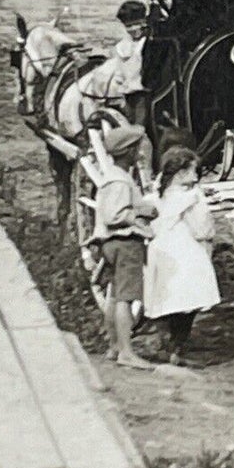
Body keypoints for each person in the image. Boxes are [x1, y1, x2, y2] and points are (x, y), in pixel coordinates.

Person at [143, 146, 219, 365]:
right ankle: (177, 346)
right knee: (190, 299)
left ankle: (164, 341)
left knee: (165, 298)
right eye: (193, 170)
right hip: (185, 251)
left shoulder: (159, 193)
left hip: (161, 250)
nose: (197, 175)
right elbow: (201, 228)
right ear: (182, 172)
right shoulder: (192, 197)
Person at [91, 124, 157, 370]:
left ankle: (114, 346)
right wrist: (143, 212)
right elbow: (115, 215)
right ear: (128, 151)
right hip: (125, 242)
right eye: (137, 148)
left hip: (111, 244)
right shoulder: (120, 180)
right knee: (126, 299)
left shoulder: (112, 176)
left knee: (115, 296)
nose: (140, 153)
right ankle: (127, 352)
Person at [108, 0, 150, 126]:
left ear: (144, 23)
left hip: (143, 94)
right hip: (126, 95)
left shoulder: (148, 43)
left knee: (138, 126)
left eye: (137, 24)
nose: (133, 29)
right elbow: (118, 72)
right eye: (128, 26)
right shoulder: (121, 46)